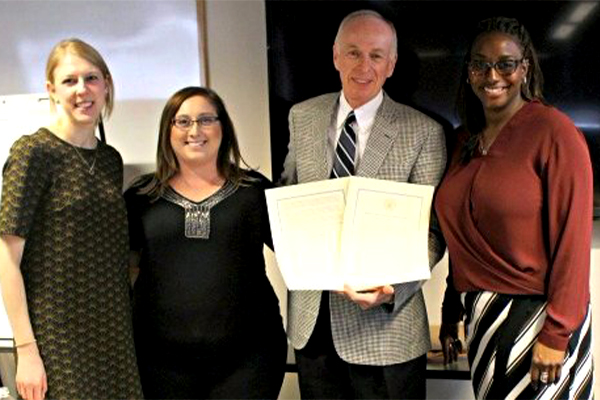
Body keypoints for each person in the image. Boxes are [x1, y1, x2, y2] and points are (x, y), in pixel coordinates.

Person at [280, 9, 447, 399]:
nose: (363, 66)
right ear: (335, 56)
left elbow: (433, 233)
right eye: (353, 53)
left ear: (391, 64)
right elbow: (290, 197)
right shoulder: (301, 117)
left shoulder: (423, 132)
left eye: (376, 55)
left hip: (386, 334)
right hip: (314, 327)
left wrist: (392, 288)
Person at [435, 16, 594, 399]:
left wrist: (557, 334)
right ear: (469, 72)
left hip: (539, 321)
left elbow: (573, 244)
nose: (493, 75)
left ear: (524, 68)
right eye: (480, 64)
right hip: (482, 321)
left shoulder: (555, 133)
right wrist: (451, 308)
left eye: (505, 63)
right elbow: (464, 238)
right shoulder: (462, 142)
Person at [0, 39, 142, 400]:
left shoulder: (110, 160)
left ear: (106, 84)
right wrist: (27, 350)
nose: (83, 90)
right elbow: (6, 259)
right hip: (56, 339)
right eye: (69, 81)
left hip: (113, 334)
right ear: (51, 89)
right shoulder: (34, 152)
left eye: (91, 78)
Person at [124, 86, 287, 399]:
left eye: (206, 120)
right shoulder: (141, 197)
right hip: (159, 363)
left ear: (223, 128)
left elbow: (300, 253)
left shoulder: (253, 191)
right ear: (167, 131)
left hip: (249, 360)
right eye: (182, 121)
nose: (194, 130)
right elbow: (122, 271)